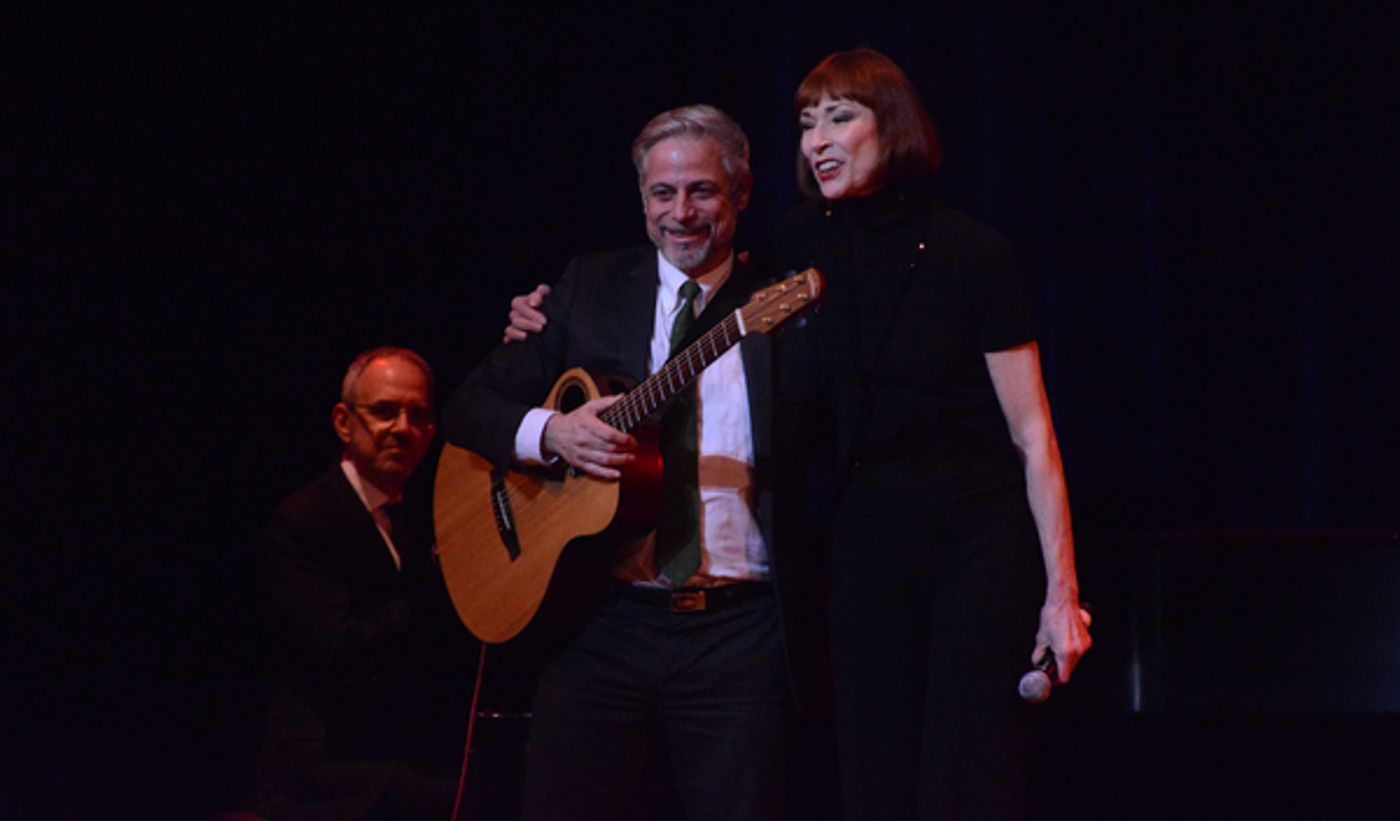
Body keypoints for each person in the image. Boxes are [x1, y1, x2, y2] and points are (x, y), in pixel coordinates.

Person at [507, 50, 1092, 820]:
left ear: (896, 125)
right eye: (807, 121)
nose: (818, 138)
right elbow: (692, 282)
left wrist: (1064, 593)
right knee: (869, 769)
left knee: (967, 767)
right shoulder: (794, 246)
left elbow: (1033, 435)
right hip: (862, 537)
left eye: (841, 116)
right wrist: (539, 334)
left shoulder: (971, 252)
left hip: (970, 532)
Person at [443, 105, 794, 821]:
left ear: (742, 194)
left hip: (739, 632)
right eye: (663, 194)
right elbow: (469, 407)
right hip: (602, 622)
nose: (681, 212)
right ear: (640, 198)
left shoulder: (781, 302)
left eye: (702, 191)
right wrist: (551, 433)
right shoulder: (587, 289)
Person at [256, 347, 474, 821]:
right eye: (384, 412)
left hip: (394, 748)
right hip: (325, 765)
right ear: (342, 422)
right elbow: (338, 651)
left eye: (418, 415)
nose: (403, 428)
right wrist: (438, 588)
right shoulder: (304, 520)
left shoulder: (422, 517)